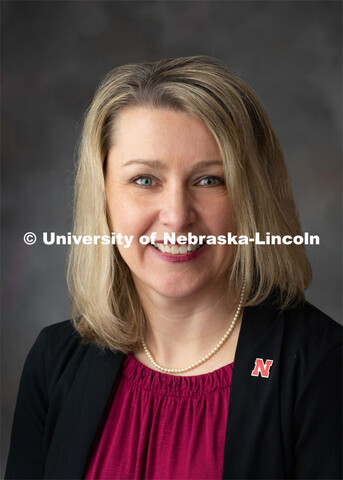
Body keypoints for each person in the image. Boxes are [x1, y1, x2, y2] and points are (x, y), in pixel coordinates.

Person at [5, 56, 342, 480]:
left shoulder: (321, 366)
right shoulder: (55, 360)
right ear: (104, 197)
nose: (177, 217)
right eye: (145, 180)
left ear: (252, 198)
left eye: (209, 180)